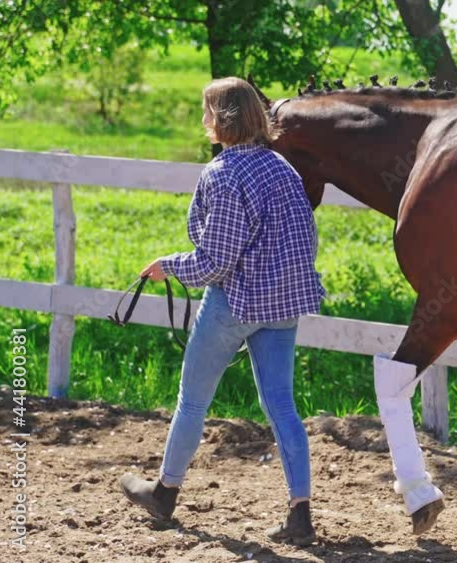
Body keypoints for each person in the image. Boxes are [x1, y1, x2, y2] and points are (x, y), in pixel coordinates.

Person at [118, 76, 326, 546]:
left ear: (223, 119)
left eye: (207, 111)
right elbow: (304, 240)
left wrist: (167, 266)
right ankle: (300, 513)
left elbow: (215, 262)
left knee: (193, 400)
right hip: (283, 303)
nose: (203, 119)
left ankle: (165, 492)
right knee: (281, 406)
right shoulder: (282, 168)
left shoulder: (223, 174)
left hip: (236, 299)